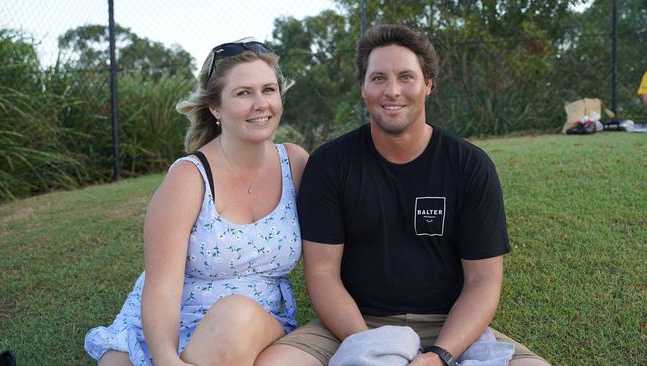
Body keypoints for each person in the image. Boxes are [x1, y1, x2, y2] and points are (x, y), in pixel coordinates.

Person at [256, 25, 549, 366]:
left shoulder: (470, 165)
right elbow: (322, 275)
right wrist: (373, 347)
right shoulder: (330, 164)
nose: (392, 90)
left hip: (447, 326)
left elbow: (483, 280)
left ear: (428, 85)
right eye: (378, 77)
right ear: (362, 87)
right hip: (355, 322)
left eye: (406, 77)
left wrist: (439, 356)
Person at [84, 39, 308, 366]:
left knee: (236, 317)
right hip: (169, 327)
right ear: (215, 108)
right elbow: (162, 288)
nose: (261, 103)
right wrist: (165, 358)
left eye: (269, 89)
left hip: (253, 324)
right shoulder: (189, 178)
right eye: (244, 93)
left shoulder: (295, 163)